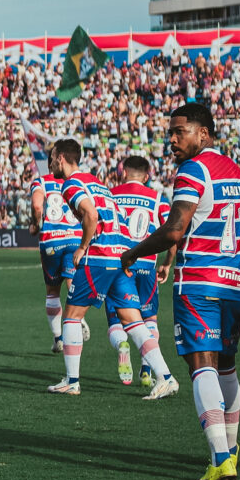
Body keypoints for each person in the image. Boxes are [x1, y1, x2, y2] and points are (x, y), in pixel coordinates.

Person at [123, 103, 240, 480]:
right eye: (170, 132)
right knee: (226, 364)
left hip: (199, 280)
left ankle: (220, 458)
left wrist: (133, 252)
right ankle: (230, 450)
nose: (172, 139)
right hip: (235, 281)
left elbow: (176, 229)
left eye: (181, 131)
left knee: (202, 365)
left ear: (205, 134)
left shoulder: (194, 169)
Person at [48, 139, 176, 398]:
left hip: (99, 257)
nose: (50, 164)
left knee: (72, 315)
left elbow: (92, 216)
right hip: (120, 257)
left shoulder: (72, 184)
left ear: (61, 158)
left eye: (52, 158)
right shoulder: (100, 186)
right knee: (134, 321)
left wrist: (83, 246)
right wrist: (126, 255)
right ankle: (166, 377)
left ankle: (72, 380)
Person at [108, 157, 172, 386]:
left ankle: (122, 344)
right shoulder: (158, 200)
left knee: (117, 319)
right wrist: (167, 262)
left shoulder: (111, 195)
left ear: (124, 173)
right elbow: (171, 233)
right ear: (147, 177)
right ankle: (147, 369)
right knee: (149, 319)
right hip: (147, 266)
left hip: (119, 266)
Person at [29, 163, 82, 352]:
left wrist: (36, 223)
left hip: (52, 240)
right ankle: (79, 318)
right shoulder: (77, 182)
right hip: (75, 237)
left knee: (52, 291)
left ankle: (58, 337)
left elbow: (37, 206)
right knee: (71, 279)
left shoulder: (41, 182)